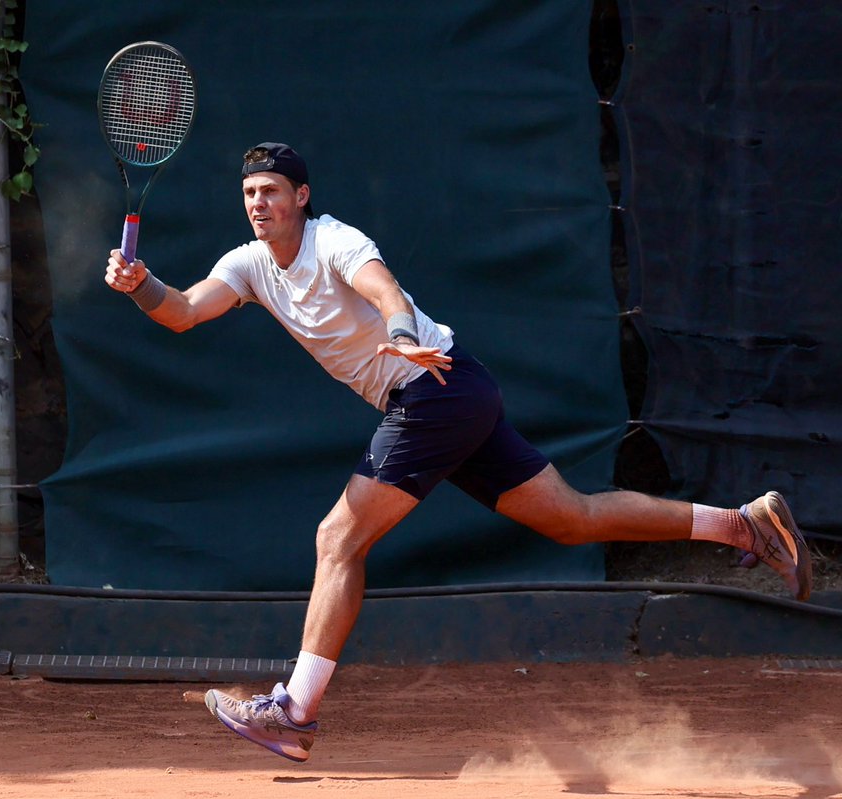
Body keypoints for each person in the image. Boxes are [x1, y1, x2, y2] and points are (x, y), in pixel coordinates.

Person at [103, 142, 813, 763]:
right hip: (455, 394)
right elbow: (186, 309)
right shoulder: (251, 265)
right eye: (249, 193)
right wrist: (141, 288)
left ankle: (294, 710)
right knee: (571, 516)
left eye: (271, 192)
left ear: (302, 197)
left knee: (336, 538)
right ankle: (741, 523)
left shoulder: (333, 241)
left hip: (433, 388)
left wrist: (403, 326)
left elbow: (380, 285)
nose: (258, 204)